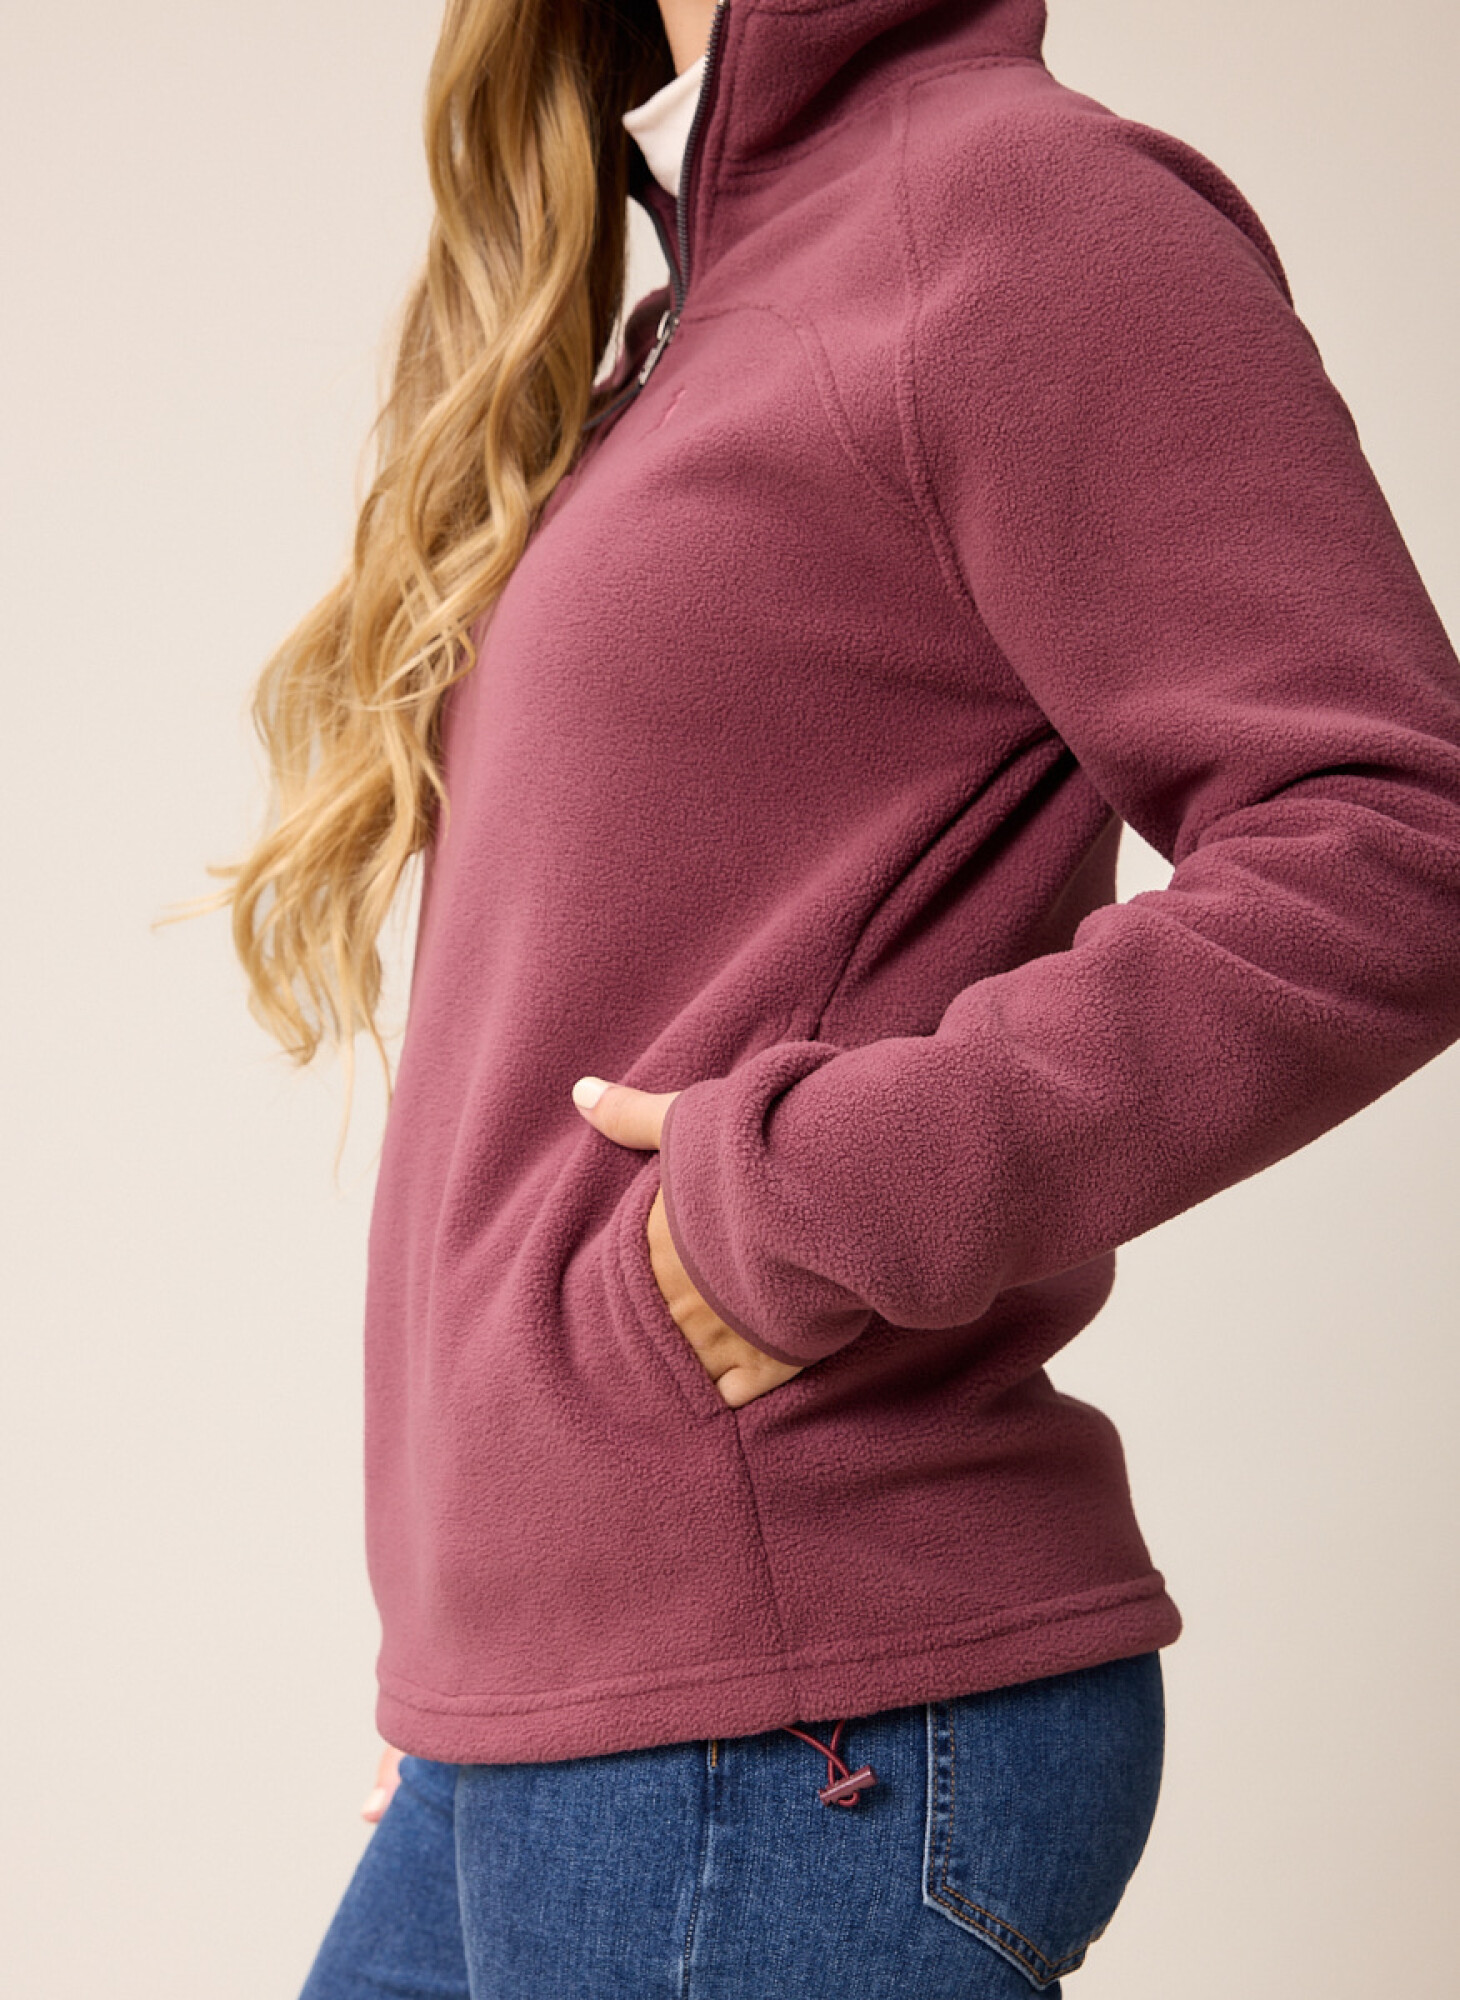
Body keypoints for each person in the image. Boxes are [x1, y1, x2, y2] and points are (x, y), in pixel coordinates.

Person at [211, 0, 1460, 1992]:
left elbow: (1395, 837)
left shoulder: (1020, 211)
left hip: (794, 1724)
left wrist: (797, 1200)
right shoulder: (702, 306)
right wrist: (491, 1643)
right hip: (580, 1708)